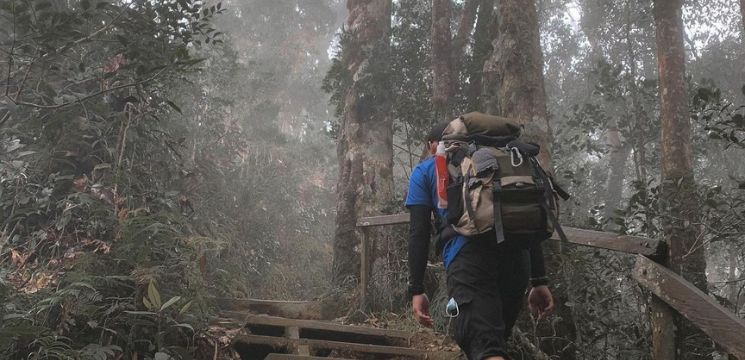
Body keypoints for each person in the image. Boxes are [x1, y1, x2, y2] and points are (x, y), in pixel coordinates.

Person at [405, 122, 555, 360]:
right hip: (517, 260)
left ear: (433, 145)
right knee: (492, 345)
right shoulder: (506, 165)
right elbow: (525, 219)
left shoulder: (425, 171)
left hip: (468, 260)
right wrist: (539, 280)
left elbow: (418, 233)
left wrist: (416, 289)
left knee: (485, 348)